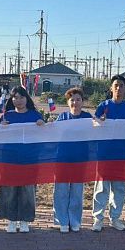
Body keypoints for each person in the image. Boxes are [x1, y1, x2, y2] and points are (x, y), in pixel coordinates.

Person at [91, 75, 125, 232]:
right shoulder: (102, 106)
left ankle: (115, 218)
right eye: (116, 85)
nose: (118, 88)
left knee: (119, 188)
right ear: (111, 88)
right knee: (101, 188)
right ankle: (98, 219)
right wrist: (99, 121)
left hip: (121, 154)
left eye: (121, 85)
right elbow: (94, 126)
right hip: (104, 154)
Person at [0, 86, 44, 233]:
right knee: (9, 190)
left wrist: (42, 125)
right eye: (15, 97)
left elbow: (44, 134)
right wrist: (0, 127)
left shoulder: (35, 115)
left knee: (28, 191)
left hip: (30, 159)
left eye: (21, 97)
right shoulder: (7, 116)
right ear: (11, 99)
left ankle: (25, 220)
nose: (18, 100)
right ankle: (11, 220)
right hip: (10, 159)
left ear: (27, 98)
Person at [52, 87, 93, 233]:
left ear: (83, 101)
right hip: (62, 159)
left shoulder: (87, 117)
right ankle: (62, 221)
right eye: (72, 100)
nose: (75, 102)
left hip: (80, 160)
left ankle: (75, 220)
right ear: (67, 102)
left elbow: (96, 132)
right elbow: (53, 133)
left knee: (77, 191)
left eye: (78, 99)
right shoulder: (62, 117)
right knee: (61, 191)